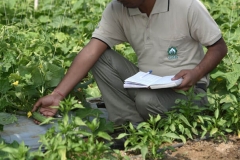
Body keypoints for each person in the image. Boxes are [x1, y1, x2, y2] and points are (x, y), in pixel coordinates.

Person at [32, 0, 227, 126]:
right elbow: (92, 50)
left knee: (146, 100)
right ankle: (129, 126)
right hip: (147, 84)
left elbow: (219, 47)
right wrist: (58, 94)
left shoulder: (186, 5)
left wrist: (196, 73)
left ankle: (147, 123)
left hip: (188, 92)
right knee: (101, 57)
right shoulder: (119, 8)